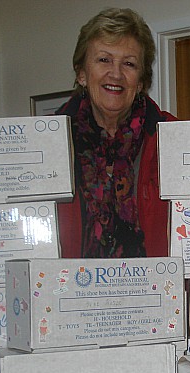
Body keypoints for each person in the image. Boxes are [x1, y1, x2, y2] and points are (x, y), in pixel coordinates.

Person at [56, 8, 176, 258]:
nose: (116, 73)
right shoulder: (46, 142)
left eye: (129, 64)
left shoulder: (174, 137)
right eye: (104, 60)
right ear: (81, 73)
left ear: (141, 81)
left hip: (154, 292)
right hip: (67, 292)